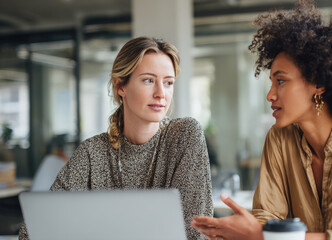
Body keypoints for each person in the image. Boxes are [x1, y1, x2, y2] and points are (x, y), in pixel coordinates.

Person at [191, 0, 332, 239]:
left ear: (318, 84)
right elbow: (266, 218)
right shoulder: (279, 139)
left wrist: (266, 235)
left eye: (281, 81)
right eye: (271, 83)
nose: (270, 94)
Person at [19, 37, 213, 240]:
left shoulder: (184, 135)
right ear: (121, 86)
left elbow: (194, 233)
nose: (161, 93)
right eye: (148, 80)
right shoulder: (92, 153)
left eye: (168, 82)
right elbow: (31, 232)